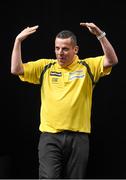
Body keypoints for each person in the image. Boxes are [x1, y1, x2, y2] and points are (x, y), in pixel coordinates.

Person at [11, 22, 118, 179]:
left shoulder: (87, 67)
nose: (60, 53)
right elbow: (16, 69)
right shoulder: (45, 67)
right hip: (50, 136)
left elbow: (112, 60)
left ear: (75, 50)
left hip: (78, 137)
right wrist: (18, 41)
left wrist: (100, 35)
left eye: (65, 49)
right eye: (57, 48)